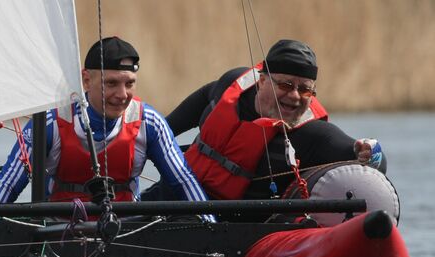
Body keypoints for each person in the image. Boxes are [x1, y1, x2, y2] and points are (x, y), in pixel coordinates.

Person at [0, 36, 214, 221]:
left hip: (124, 229)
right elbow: (8, 185)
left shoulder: (149, 122)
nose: (122, 95)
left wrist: (210, 227)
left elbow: (183, 181)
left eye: (129, 83)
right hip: (56, 229)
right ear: (86, 80)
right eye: (111, 83)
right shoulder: (50, 122)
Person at [141, 39, 385, 204]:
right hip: (178, 194)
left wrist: (371, 151)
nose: (294, 96)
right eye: (286, 85)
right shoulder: (231, 85)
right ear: (261, 81)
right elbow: (167, 125)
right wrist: (144, 144)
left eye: (305, 90)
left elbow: (373, 166)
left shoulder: (315, 135)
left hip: (237, 230)